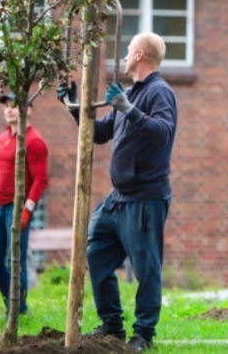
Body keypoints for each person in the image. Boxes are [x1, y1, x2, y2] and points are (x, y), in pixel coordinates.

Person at [58, 32, 178, 352]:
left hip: (145, 198)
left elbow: (163, 134)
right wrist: (72, 106)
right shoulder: (128, 93)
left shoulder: (159, 93)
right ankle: (112, 325)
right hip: (118, 198)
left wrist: (128, 109)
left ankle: (143, 336)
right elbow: (99, 134)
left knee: (146, 269)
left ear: (140, 55)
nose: (123, 57)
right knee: (95, 254)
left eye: (127, 52)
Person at [0, 92, 49, 316]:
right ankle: (17, 304)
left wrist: (27, 209)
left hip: (16, 210)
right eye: (6, 105)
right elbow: (3, 169)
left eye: (14, 105)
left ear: (28, 110)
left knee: (16, 262)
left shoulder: (34, 141)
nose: (8, 109)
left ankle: (16, 310)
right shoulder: (4, 137)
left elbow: (41, 180)